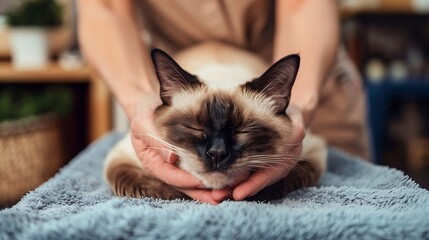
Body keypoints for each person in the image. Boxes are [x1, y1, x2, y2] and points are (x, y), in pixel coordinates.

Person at [77, 0, 369, 204]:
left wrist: (299, 107)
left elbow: (304, 5)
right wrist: (140, 98)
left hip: (293, 78)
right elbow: (105, 8)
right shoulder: (175, 120)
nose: (217, 152)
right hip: (180, 74)